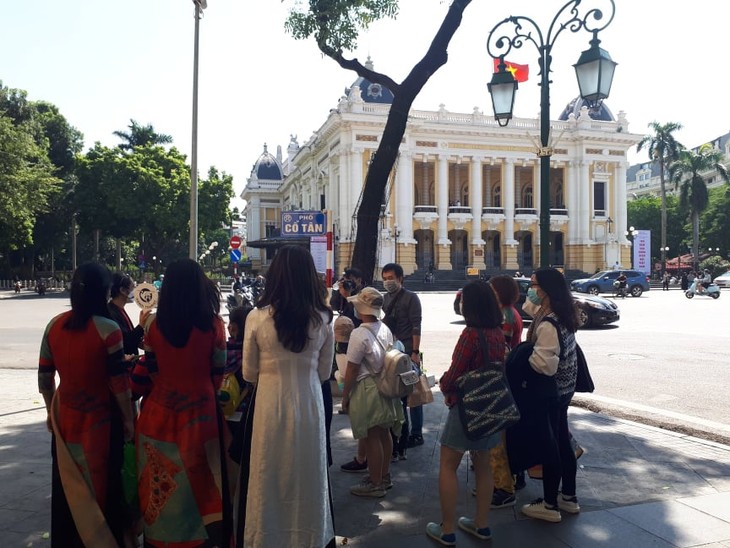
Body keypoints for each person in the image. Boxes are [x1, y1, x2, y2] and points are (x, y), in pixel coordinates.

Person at [239, 245, 335, 547]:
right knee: (308, 472)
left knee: (268, 470)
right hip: (308, 402)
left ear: (275, 275)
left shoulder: (256, 317)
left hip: (269, 402)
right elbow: (323, 373)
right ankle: (309, 536)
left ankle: (267, 536)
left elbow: (249, 373)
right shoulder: (324, 319)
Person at [38, 262, 135, 546]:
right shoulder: (108, 330)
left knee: (67, 489)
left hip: (65, 421)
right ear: (104, 293)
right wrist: (129, 419)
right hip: (100, 424)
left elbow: (45, 377)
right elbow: (119, 385)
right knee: (101, 489)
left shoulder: (54, 326)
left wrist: (49, 413)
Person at [136, 259, 229, 547]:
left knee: (160, 484)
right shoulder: (214, 326)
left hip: (157, 414)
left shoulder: (152, 325)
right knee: (201, 483)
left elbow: (150, 368)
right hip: (201, 415)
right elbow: (218, 372)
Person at [426, 280, 505, 545]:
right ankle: (482, 525)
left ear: (470, 305)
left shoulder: (470, 334)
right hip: (490, 408)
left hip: (466, 408)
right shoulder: (497, 331)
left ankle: (447, 529)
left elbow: (456, 372)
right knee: (483, 466)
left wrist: (443, 383)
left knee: (448, 466)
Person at [519, 267, 580, 523]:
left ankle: (549, 504)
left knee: (550, 445)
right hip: (565, 388)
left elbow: (544, 364)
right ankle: (568, 497)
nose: (530, 289)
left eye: (533, 284)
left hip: (550, 390)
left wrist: (522, 357)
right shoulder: (562, 313)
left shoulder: (548, 322)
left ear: (545, 289)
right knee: (563, 442)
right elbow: (529, 308)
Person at [341, 287, 404, 498]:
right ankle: (384, 476)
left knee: (371, 437)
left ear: (361, 309)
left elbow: (352, 368)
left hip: (368, 389)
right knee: (384, 433)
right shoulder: (384, 328)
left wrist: (345, 395)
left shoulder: (359, 333)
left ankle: (375, 483)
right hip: (385, 387)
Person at [483, 275, 524, 509]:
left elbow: (501, 349)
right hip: (507, 377)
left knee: (499, 437)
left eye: (492, 288)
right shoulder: (507, 312)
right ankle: (513, 478)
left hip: (503, 377)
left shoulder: (506, 315)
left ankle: (504, 487)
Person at [382, 262, 424, 454]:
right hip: (393, 352)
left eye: (391, 278)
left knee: (413, 392)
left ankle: (416, 433)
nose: (387, 282)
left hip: (408, 351)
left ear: (400, 278)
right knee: (399, 394)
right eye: (385, 278)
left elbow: (416, 325)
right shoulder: (385, 299)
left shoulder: (411, 298)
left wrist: (415, 352)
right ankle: (401, 431)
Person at [108, 272, 150, 361]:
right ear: (123, 290)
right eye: (133, 287)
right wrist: (141, 326)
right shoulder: (112, 313)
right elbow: (126, 342)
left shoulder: (119, 309)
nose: (135, 291)